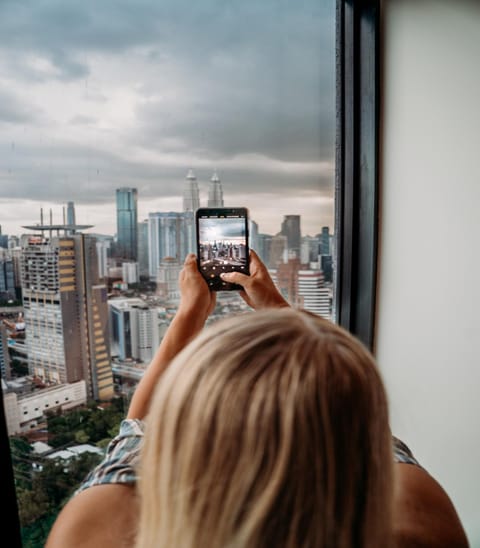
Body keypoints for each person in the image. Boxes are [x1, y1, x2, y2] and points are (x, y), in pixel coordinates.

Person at [46, 251, 469, 548]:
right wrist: (277, 308)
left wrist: (191, 313)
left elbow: (136, 429)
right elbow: (351, 413)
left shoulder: (99, 530)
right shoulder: (418, 523)